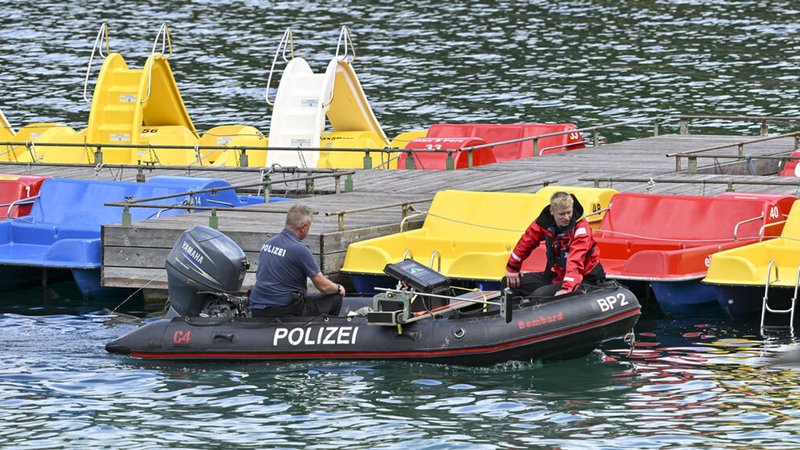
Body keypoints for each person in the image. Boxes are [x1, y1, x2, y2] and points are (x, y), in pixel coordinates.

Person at [503, 191, 605, 299]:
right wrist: (512, 267)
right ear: (552, 211)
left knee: (539, 296)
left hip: (585, 277)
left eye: (569, 212)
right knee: (507, 283)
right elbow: (526, 241)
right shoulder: (545, 222)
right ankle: (508, 313)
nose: (566, 217)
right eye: (562, 214)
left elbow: (575, 261)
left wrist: (567, 288)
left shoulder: (581, 230)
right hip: (558, 275)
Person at [249, 204, 344, 317]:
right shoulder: (300, 249)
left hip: (257, 306)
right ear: (303, 227)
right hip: (284, 310)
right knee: (336, 297)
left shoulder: (268, 243)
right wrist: (338, 288)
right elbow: (323, 286)